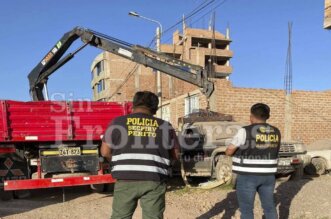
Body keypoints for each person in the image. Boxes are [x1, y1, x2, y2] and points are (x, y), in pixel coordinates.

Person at [101, 91, 180, 219]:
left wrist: (117, 161)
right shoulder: (166, 126)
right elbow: (176, 154)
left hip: (125, 179)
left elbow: (105, 152)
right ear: (155, 108)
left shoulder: (117, 122)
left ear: (133, 105)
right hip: (154, 179)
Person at [225, 103, 281, 219]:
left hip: (247, 177)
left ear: (251, 116)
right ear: (267, 116)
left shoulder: (245, 131)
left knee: (246, 210)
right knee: (269, 208)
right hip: (268, 176)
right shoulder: (276, 131)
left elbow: (229, 151)